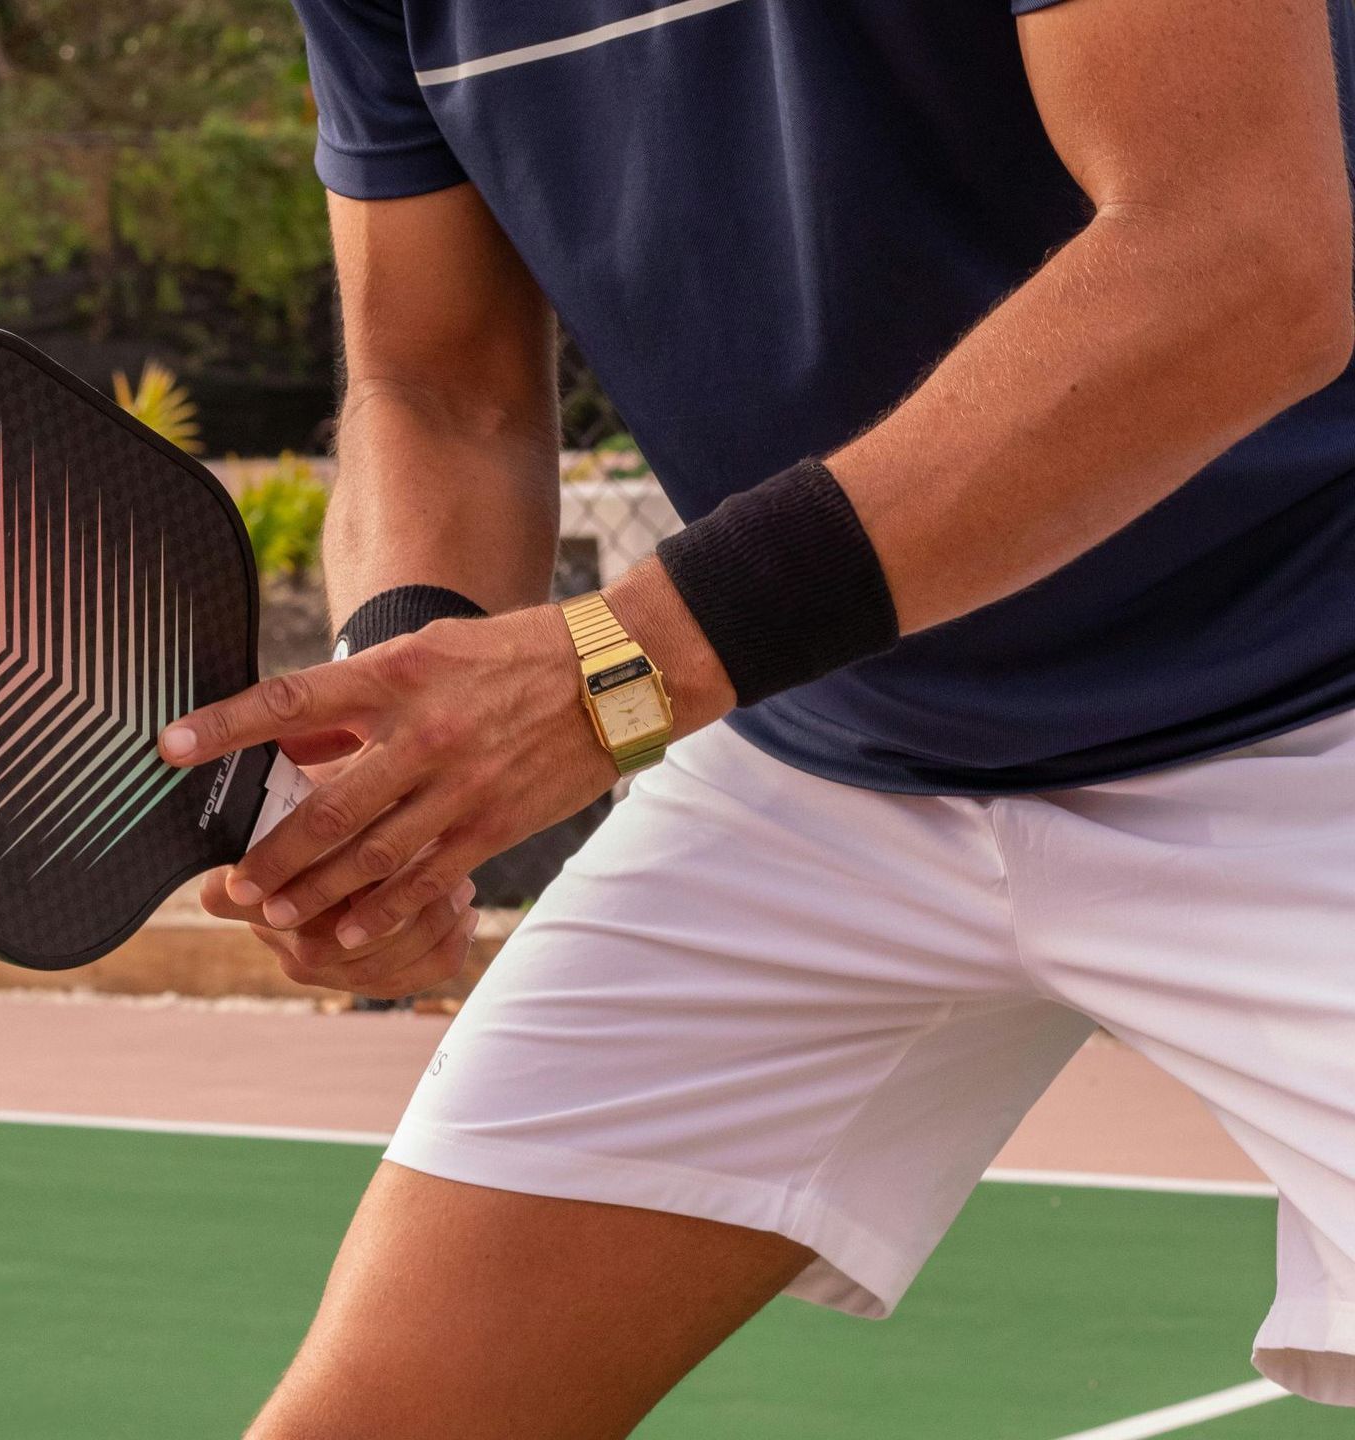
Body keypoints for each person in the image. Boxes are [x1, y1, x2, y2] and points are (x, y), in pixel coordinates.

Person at [161, 1, 1355, 1433]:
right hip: (835, 755)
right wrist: (400, 751)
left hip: (1316, 706)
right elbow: (437, 381)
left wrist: (618, 665)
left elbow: (1237, 252)